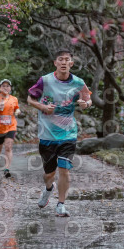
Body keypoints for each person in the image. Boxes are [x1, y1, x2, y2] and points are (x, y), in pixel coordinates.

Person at [27, 49, 92, 217]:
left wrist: (85, 103)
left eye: (67, 59)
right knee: (49, 175)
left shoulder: (78, 82)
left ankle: (61, 205)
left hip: (68, 134)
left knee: (64, 169)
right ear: (55, 63)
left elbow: (87, 98)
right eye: (60, 59)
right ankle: (49, 189)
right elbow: (30, 99)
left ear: (71, 63)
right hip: (47, 135)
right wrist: (42, 107)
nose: (64, 62)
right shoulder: (45, 80)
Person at [0, 79, 20, 178]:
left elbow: (16, 108)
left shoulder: (14, 99)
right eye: (3, 86)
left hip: (11, 126)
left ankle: (7, 169)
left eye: (8, 86)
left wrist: (17, 111)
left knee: (8, 147)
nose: (6, 88)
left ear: (10, 88)